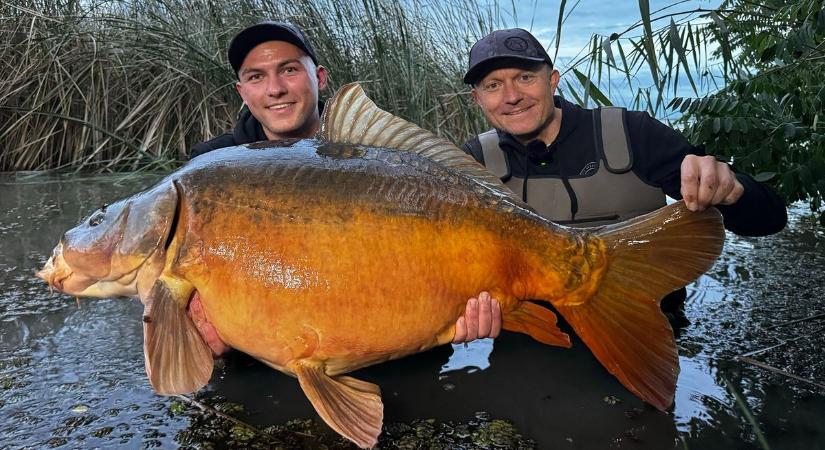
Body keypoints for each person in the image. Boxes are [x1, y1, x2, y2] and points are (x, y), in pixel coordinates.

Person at [452, 28, 788, 342]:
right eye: (493, 85)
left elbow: (770, 220)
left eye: (525, 78)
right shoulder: (469, 163)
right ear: (477, 99)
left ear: (552, 81)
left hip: (641, 332)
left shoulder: (632, 134)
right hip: (532, 339)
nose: (512, 96)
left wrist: (733, 190)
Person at [187, 21, 493, 354]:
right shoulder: (212, 166)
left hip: (394, 339)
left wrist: (452, 308)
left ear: (319, 77)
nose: (275, 89)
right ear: (242, 91)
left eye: (288, 70)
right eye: (256, 77)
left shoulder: (382, 154)